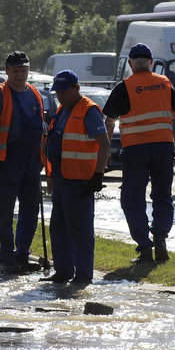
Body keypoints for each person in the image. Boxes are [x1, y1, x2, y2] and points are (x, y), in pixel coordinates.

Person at [103, 43, 175, 263]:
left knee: (133, 197)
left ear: (130, 64)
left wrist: (106, 149)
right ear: (151, 63)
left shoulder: (124, 86)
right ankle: (161, 238)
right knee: (162, 194)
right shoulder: (164, 83)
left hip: (135, 148)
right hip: (163, 146)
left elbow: (109, 119)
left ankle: (145, 247)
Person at [0, 51, 46, 275]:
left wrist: (42, 158)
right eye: (15, 71)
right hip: (8, 160)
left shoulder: (35, 93)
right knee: (4, 212)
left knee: (30, 210)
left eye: (23, 70)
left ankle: (22, 256)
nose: (20, 74)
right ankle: (7, 258)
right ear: (7, 71)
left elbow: (42, 128)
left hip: (32, 161)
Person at [42, 70, 110, 285]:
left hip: (81, 180)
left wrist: (97, 175)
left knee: (80, 230)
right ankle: (63, 271)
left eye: (64, 92)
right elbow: (55, 145)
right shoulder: (63, 110)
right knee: (59, 228)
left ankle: (83, 275)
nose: (60, 96)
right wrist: (50, 175)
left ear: (76, 88)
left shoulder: (89, 111)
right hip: (62, 178)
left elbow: (105, 143)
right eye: (57, 92)